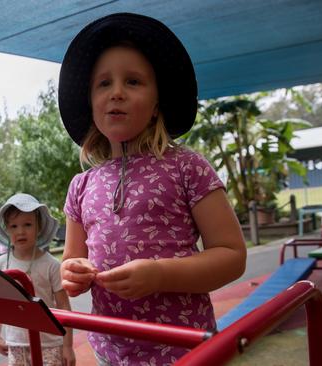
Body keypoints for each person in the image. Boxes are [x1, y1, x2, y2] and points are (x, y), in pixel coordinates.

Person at [57, 13, 247, 365]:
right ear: (90, 103)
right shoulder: (81, 186)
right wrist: (73, 272)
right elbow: (71, 260)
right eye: (103, 84)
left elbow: (232, 255)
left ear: (158, 101)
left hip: (186, 348)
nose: (116, 92)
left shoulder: (187, 166)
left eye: (132, 81)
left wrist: (160, 274)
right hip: (111, 351)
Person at [0, 193, 75, 366]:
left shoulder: (50, 264)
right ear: (7, 230)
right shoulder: (1, 264)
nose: (20, 231)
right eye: (13, 226)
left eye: (27, 224)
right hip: (16, 343)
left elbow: (64, 306)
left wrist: (67, 346)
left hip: (49, 342)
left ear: (39, 227)